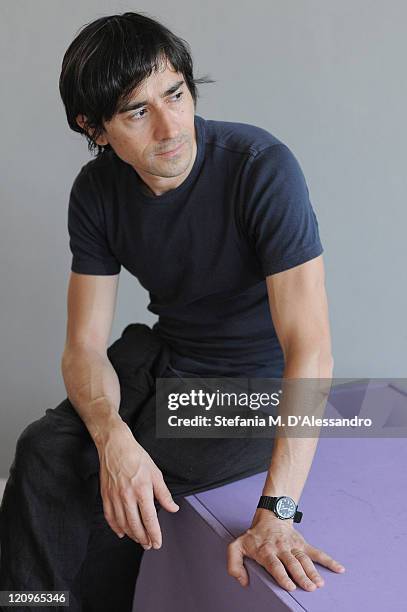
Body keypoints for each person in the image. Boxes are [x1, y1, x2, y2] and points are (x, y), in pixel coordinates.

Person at [0, 11, 345, 611]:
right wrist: (112, 438)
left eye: (176, 95)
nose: (171, 127)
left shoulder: (260, 167)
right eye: (137, 111)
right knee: (41, 449)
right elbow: (83, 345)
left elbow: (311, 348)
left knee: (102, 488)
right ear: (95, 127)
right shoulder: (97, 191)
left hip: (251, 388)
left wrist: (279, 510)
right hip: (163, 357)